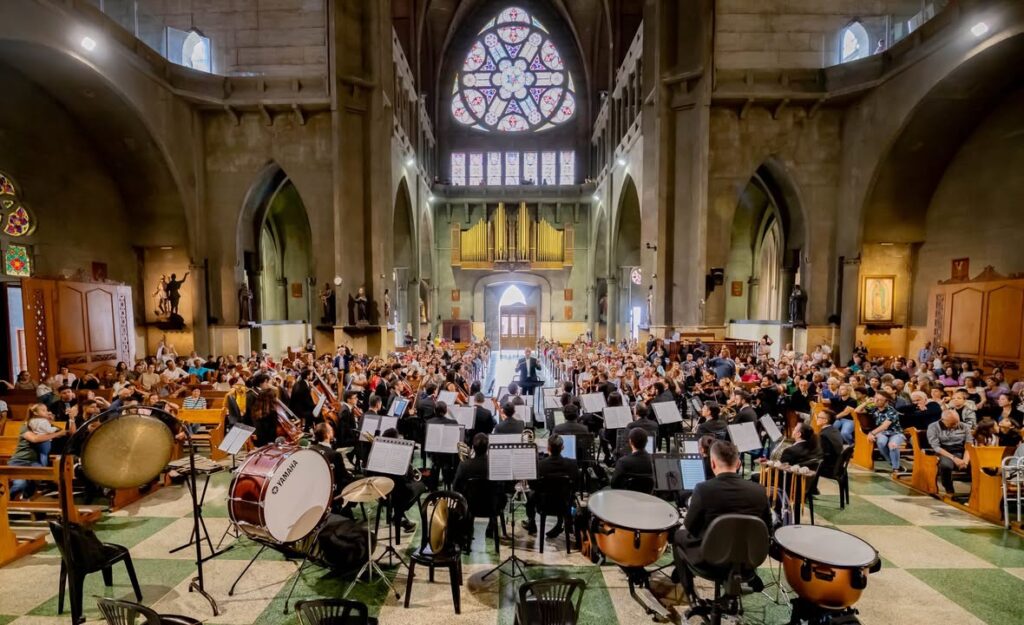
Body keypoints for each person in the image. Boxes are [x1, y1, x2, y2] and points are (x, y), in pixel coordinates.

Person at [672, 441, 772, 602]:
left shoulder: (703, 489)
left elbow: (690, 528)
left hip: (710, 561)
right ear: (739, 463)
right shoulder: (759, 491)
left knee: (678, 535)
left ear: (712, 463)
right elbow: (768, 531)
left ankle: (691, 595)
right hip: (748, 561)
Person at [6, 404, 69, 499]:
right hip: (21, 461)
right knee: (20, 485)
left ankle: (24, 501)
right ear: (35, 413)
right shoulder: (27, 425)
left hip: (37, 462)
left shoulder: (48, 426)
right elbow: (35, 439)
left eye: (47, 410)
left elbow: (69, 432)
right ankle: (4, 503)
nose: (47, 412)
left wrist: (70, 418)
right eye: (43, 410)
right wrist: (56, 434)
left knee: (34, 483)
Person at [522, 434, 580, 538]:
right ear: (562, 448)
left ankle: (532, 522)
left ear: (548, 448)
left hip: (543, 505)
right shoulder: (572, 464)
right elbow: (576, 485)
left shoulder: (540, 465)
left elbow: (532, 485)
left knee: (529, 493)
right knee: (565, 493)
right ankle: (561, 522)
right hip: (564, 505)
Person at [926, 409, 973, 495]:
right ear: (943, 420)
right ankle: (949, 488)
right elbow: (936, 447)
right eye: (952, 424)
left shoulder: (964, 426)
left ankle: (974, 491)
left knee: (976, 465)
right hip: (944, 451)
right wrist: (954, 458)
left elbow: (969, 445)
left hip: (962, 451)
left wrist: (965, 461)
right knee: (946, 466)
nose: (955, 425)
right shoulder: (933, 427)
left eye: (957, 422)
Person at [859, 391, 905, 473]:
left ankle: (896, 468)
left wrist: (872, 433)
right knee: (881, 443)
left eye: (879, 400)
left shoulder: (892, 411)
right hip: (882, 433)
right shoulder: (874, 409)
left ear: (886, 401)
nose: (876, 401)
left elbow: (885, 426)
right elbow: (857, 411)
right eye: (875, 398)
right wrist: (866, 402)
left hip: (895, 433)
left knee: (892, 445)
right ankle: (893, 463)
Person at [815, 408, 845, 478]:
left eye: (819, 417)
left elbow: (823, 455)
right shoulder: (834, 430)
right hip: (837, 465)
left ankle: (810, 488)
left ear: (825, 420)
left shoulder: (823, 434)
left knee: (801, 464)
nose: (817, 419)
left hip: (829, 468)